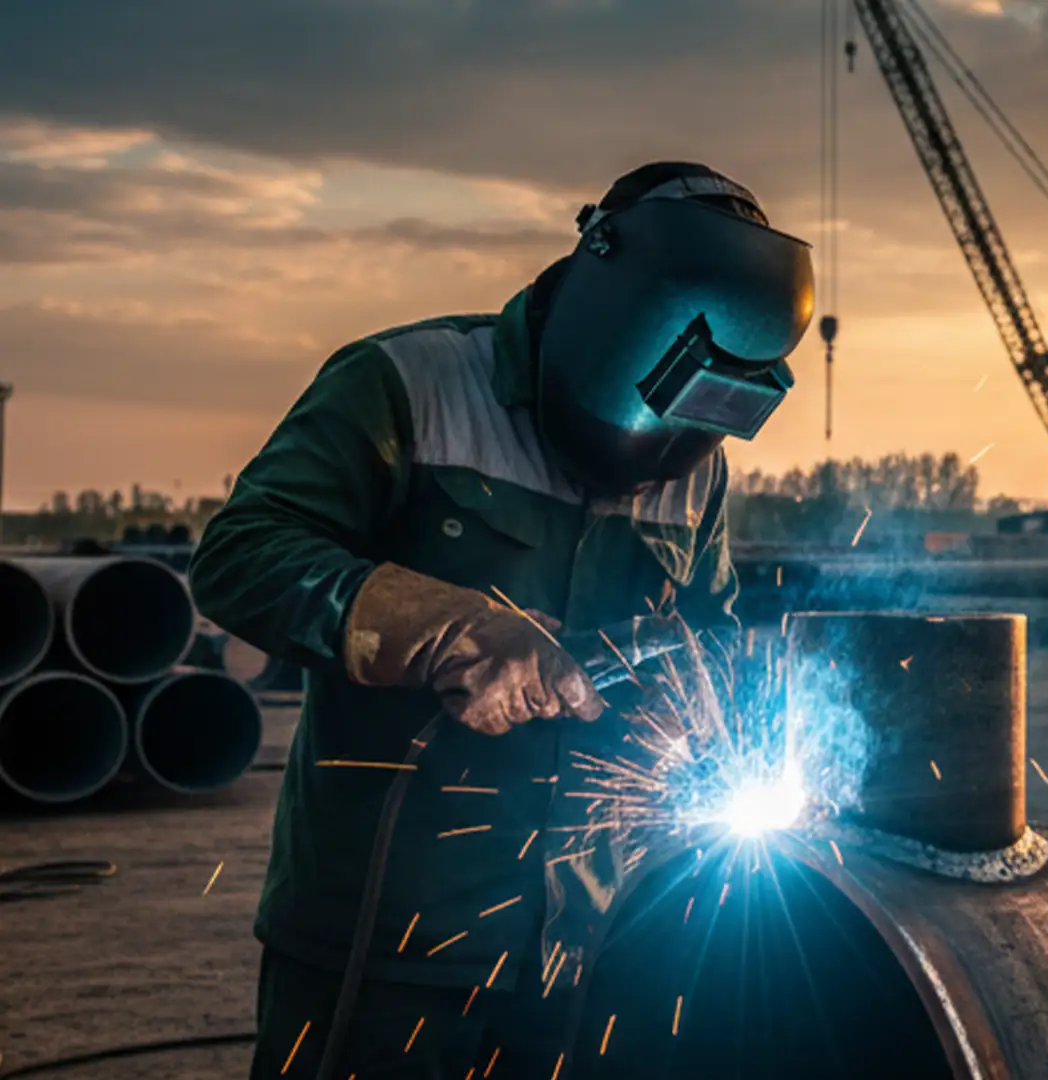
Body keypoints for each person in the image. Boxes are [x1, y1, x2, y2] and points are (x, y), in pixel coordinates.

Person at [189, 161, 814, 1079]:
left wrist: (697, 705)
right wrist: (446, 630)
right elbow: (241, 555)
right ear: (610, 318)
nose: (673, 452)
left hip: (588, 945)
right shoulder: (411, 383)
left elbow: (708, 636)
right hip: (383, 934)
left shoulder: (699, 469)